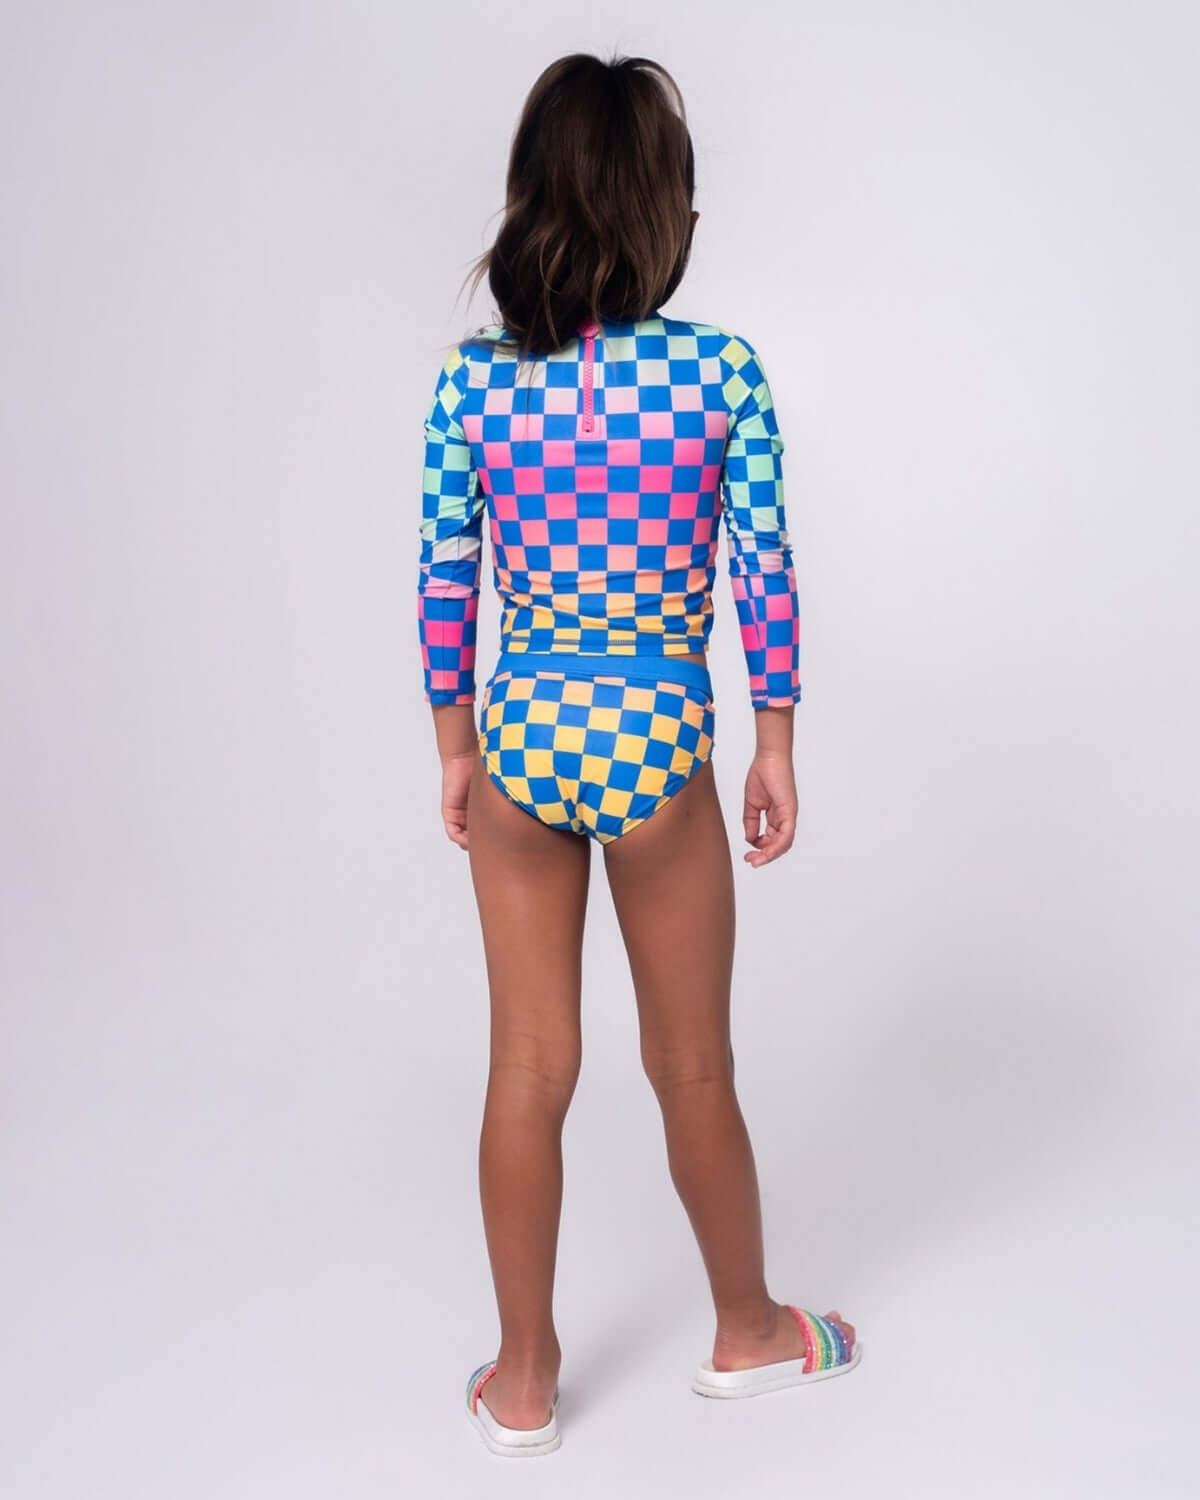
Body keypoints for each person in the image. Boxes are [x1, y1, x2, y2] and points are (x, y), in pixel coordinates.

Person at [417, 51, 861, 1458]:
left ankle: (522, 1381)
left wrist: (456, 749)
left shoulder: (473, 385)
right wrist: (774, 739)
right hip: (659, 735)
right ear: (669, 210)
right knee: (693, 1069)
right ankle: (750, 1330)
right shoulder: (721, 373)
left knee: (526, 1069)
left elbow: (444, 576)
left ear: (528, 196)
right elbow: (763, 566)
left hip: (522, 734)